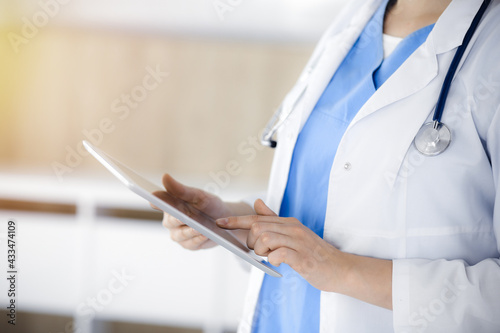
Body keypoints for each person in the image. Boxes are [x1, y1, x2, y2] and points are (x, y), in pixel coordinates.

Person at [153, 0, 500, 331]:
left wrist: (343, 271)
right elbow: (327, 195)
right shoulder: (355, 20)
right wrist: (232, 221)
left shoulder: (491, 47)